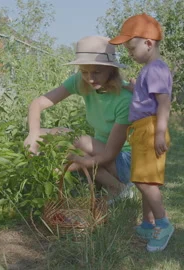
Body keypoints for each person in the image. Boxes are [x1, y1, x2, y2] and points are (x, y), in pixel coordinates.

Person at [23, 36, 133, 200]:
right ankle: (117, 188)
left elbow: (110, 153)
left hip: (126, 162)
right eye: (84, 71)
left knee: (68, 137)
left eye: (96, 72)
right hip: (102, 153)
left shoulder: (124, 98)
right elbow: (37, 104)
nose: (90, 78)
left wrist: (75, 164)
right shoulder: (81, 82)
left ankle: (119, 188)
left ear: (111, 69)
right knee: (42, 135)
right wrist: (33, 135)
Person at [109, 13, 174, 252]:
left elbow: (164, 102)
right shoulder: (150, 69)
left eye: (131, 48)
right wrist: (135, 88)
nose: (130, 54)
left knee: (146, 182)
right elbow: (149, 97)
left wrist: (160, 132)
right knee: (142, 179)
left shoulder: (155, 69)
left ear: (148, 43)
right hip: (142, 129)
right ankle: (147, 223)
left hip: (150, 128)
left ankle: (163, 223)